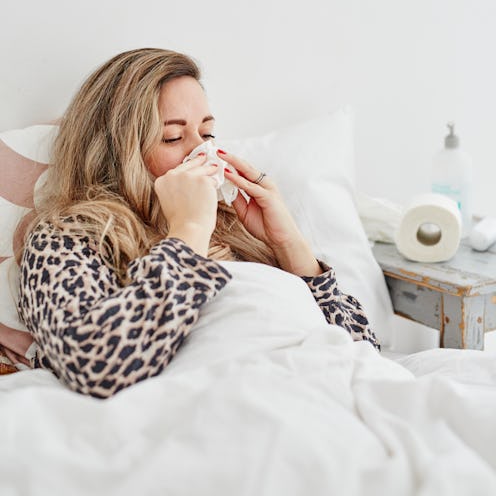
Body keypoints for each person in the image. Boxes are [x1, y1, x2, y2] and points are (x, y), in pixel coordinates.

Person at [17, 48, 380, 398]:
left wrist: (289, 244)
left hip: (319, 391)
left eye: (207, 134)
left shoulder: (235, 225)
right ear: (115, 153)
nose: (199, 151)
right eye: (173, 137)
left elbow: (365, 357)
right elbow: (97, 366)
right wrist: (188, 232)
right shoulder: (66, 238)